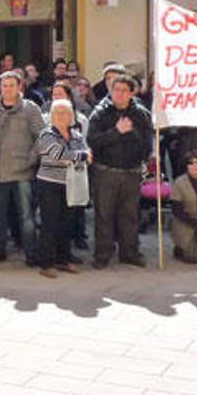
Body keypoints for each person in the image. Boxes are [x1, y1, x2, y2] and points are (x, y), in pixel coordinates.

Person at [87, 74, 153, 269]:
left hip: (131, 172)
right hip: (105, 171)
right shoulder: (99, 113)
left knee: (130, 215)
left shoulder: (141, 114)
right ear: (110, 91)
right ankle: (102, 254)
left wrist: (130, 132)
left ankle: (130, 253)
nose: (120, 94)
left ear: (131, 93)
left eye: (125, 90)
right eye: (117, 90)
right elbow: (92, 141)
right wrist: (116, 132)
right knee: (104, 215)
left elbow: (146, 146)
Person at [0, 71, 45, 265]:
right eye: (4, 86)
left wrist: (31, 159)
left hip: (23, 172)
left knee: (26, 216)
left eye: (11, 85)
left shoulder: (31, 109)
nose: (7, 89)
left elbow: (41, 137)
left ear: (19, 87)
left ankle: (31, 252)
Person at [34, 99, 90, 278]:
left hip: (71, 184)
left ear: (71, 116)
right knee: (50, 223)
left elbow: (86, 155)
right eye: (57, 112)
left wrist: (78, 156)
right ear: (51, 116)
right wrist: (80, 156)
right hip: (49, 184)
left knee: (67, 223)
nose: (61, 116)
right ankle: (46, 263)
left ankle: (64, 259)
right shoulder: (46, 134)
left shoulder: (76, 134)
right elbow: (59, 155)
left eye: (65, 112)